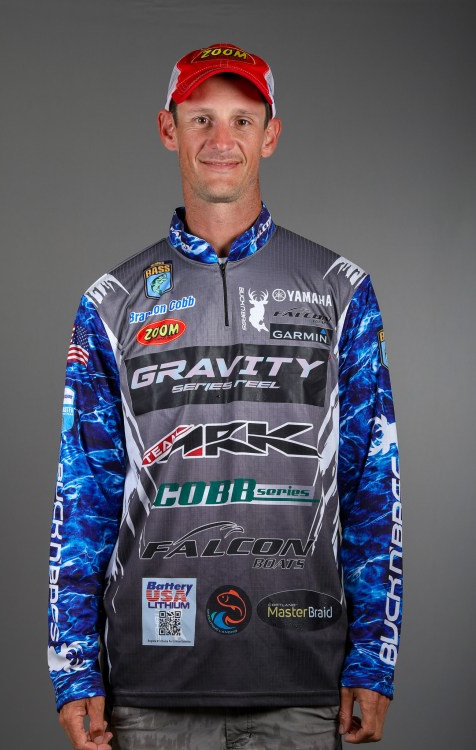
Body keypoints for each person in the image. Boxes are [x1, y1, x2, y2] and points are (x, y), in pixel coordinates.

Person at [48, 43, 402, 750]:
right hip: (148, 687)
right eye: (201, 118)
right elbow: (82, 497)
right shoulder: (110, 304)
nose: (220, 139)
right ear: (168, 129)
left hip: (303, 682)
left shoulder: (340, 290)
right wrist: (73, 666)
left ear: (270, 135)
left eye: (242, 120)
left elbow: (373, 483)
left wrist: (374, 656)